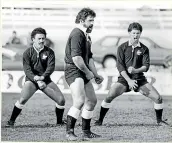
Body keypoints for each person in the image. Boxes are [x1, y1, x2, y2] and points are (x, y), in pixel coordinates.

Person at [95, 22, 169, 126]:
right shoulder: (122, 47)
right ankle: (99, 121)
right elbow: (120, 66)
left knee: (158, 98)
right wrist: (129, 80)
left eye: (138, 33)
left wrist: (135, 71)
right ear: (129, 33)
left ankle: (159, 121)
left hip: (140, 80)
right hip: (124, 80)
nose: (135, 35)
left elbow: (146, 66)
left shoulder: (144, 49)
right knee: (109, 96)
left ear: (140, 34)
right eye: (133, 33)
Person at [6, 27, 66, 127]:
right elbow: (27, 69)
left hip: (45, 80)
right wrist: (36, 79)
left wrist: (42, 78)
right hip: (31, 80)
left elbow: (50, 68)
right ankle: (11, 122)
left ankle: (59, 122)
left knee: (61, 100)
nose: (42, 41)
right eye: (39, 38)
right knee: (22, 100)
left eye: (43, 38)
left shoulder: (50, 52)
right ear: (33, 39)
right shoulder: (27, 52)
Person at [64, 8, 104, 141]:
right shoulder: (77, 34)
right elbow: (76, 59)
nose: (93, 23)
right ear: (82, 21)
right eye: (90, 20)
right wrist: (88, 73)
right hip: (73, 70)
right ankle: (69, 132)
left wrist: (95, 74)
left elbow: (90, 58)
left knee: (92, 101)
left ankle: (86, 132)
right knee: (79, 100)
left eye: (93, 20)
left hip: (83, 70)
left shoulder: (86, 36)